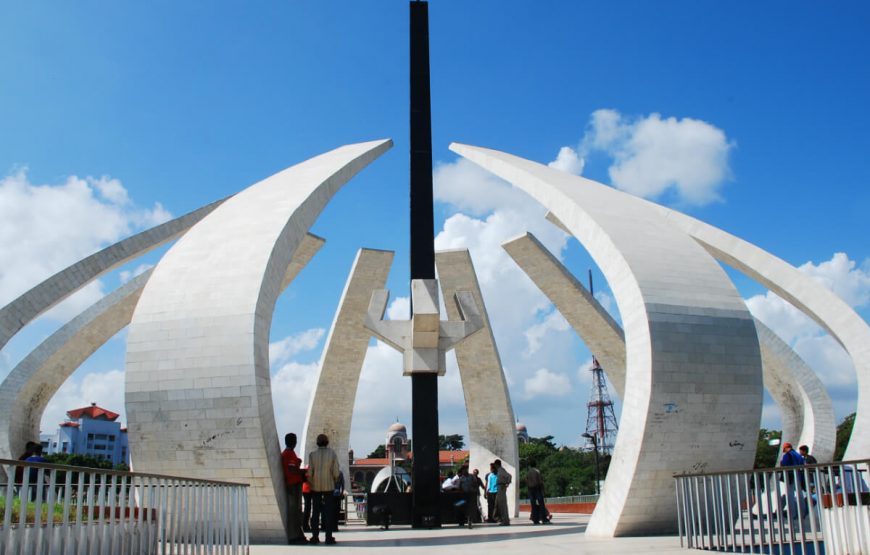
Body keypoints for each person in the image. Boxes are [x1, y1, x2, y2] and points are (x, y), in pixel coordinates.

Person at [308, 433, 340, 545]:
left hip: (316, 487)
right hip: (329, 486)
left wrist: (312, 484)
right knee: (329, 512)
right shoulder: (332, 454)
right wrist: (335, 480)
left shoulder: (312, 455)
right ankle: (328, 537)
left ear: (317, 443)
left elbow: (309, 473)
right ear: (327, 442)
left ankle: (315, 536)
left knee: (315, 512)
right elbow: (336, 471)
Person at [280, 433, 307, 544]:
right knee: (294, 511)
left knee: (296, 511)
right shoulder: (289, 454)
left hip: (293, 484)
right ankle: (294, 536)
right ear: (293, 442)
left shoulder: (288, 453)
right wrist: (303, 471)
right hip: (293, 485)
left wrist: (298, 462)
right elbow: (292, 470)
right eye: (295, 440)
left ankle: (298, 535)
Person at [493, 459, 512, 526]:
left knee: (502, 504)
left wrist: (507, 483)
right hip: (500, 487)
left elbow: (509, 476)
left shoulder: (501, 470)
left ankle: (505, 521)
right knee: (499, 504)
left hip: (501, 487)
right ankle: (501, 519)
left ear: (496, 464)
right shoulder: (499, 470)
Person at [302, 467, 312, 532]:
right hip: (308, 491)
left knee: (307, 508)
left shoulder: (305, 472)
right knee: (307, 509)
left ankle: (305, 526)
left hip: (305, 491)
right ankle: (305, 526)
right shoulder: (309, 473)